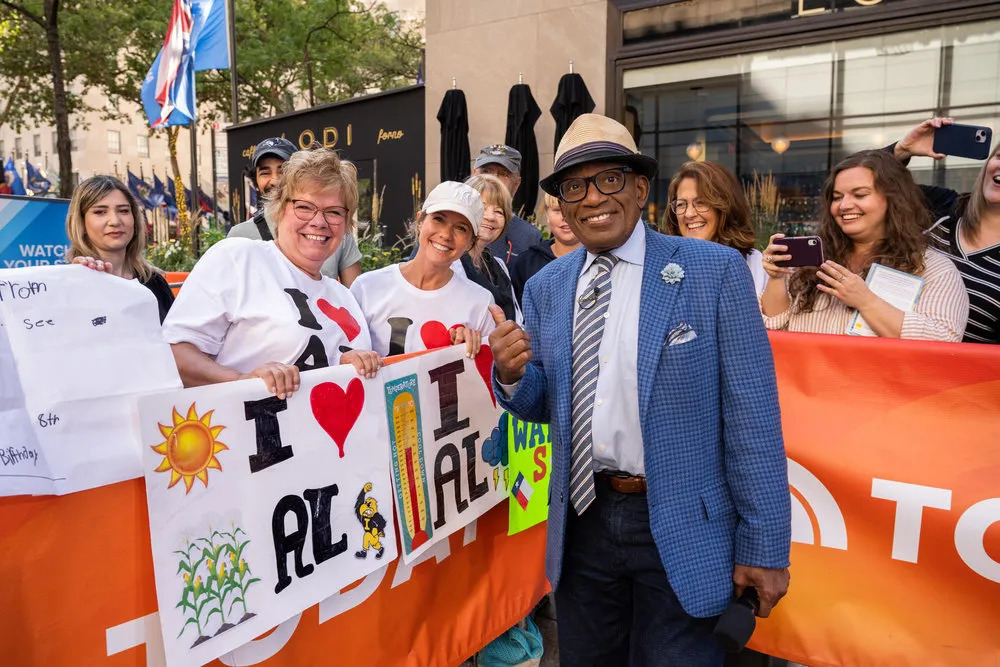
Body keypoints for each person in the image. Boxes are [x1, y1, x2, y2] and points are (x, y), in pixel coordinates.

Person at [489, 113, 790, 666]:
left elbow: (754, 419)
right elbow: (543, 407)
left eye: (609, 179)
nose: (592, 197)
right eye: (574, 186)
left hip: (682, 522)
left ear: (640, 188)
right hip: (582, 521)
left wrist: (764, 545)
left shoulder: (714, 270)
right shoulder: (547, 286)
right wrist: (511, 376)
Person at [162, 149, 379, 398]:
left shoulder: (344, 297)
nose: (319, 221)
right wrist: (243, 381)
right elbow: (175, 355)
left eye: (334, 212)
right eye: (304, 207)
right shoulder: (239, 258)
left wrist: (347, 365)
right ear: (279, 208)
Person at [761, 149, 968, 341]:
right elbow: (775, 327)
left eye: (860, 195)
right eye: (837, 197)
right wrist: (776, 278)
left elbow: (944, 341)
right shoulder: (813, 258)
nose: (844, 205)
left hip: (873, 381)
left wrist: (866, 301)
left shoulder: (932, 269)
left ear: (893, 199)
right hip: (805, 378)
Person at [350, 181, 496, 357]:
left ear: (470, 242)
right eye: (438, 219)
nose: (445, 235)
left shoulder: (480, 303)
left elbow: (485, 376)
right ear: (420, 222)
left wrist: (471, 352)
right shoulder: (367, 287)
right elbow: (344, 359)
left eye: (460, 228)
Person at [889, 117, 1000, 343]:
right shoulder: (943, 206)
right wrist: (903, 149)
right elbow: (859, 184)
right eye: (999, 156)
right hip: (879, 358)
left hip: (958, 376)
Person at [228, 137, 363, 286]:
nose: (274, 180)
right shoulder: (239, 238)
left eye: (282, 171)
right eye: (265, 173)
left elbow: (354, 294)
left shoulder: (335, 230)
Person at [65, 175, 174, 323]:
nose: (115, 221)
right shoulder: (68, 286)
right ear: (81, 223)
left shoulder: (155, 282)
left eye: (123, 211)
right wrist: (80, 279)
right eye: (100, 212)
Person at [662, 161, 767, 295]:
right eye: (681, 204)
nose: (689, 214)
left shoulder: (754, 263)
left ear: (725, 207)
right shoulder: (664, 264)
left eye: (701, 203)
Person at [463, 174, 521, 322]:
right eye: (483, 207)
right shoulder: (450, 265)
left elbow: (518, 319)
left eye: (499, 211)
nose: (490, 217)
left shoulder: (500, 267)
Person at [472, 144, 543, 265]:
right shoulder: (456, 221)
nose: (492, 179)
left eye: (503, 173)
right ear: (474, 175)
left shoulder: (529, 237)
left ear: (516, 184)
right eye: (486, 171)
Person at [510, 193, 580, 304]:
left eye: (572, 209)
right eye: (557, 210)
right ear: (547, 215)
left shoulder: (601, 259)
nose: (565, 217)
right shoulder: (527, 263)